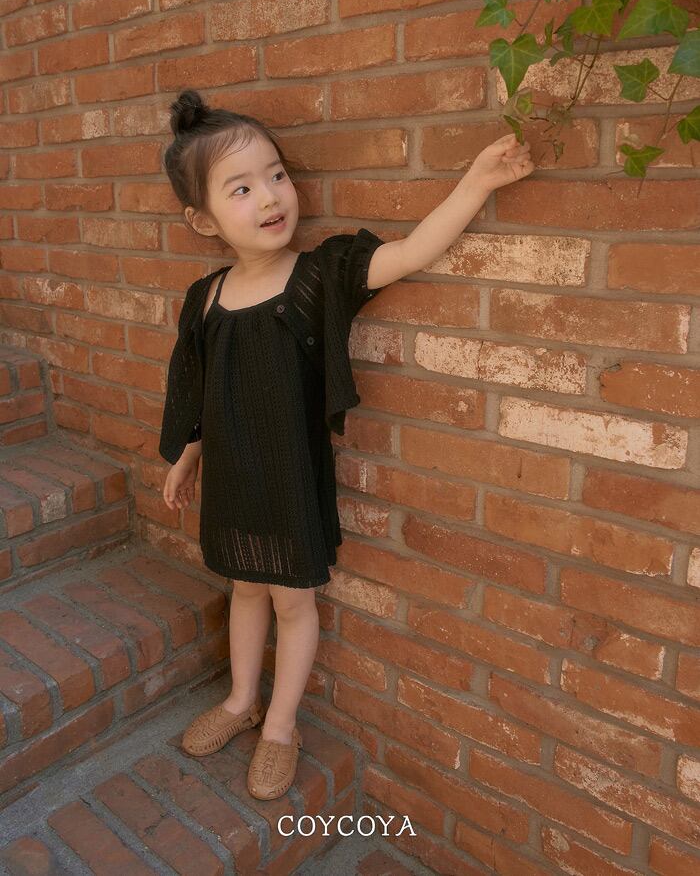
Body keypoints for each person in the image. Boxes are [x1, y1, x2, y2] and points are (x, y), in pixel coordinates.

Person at [158, 88, 534, 800]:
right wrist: (187, 456)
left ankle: (281, 726)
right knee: (245, 587)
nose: (271, 196)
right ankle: (241, 701)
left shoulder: (316, 278)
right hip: (233, 483)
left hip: (291, 481)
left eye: (276, 175)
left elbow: (411, 252)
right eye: (242, 188)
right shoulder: (203, 298)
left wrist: (476, 183)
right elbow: (198, 390)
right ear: (203, 220)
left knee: (293, 601)